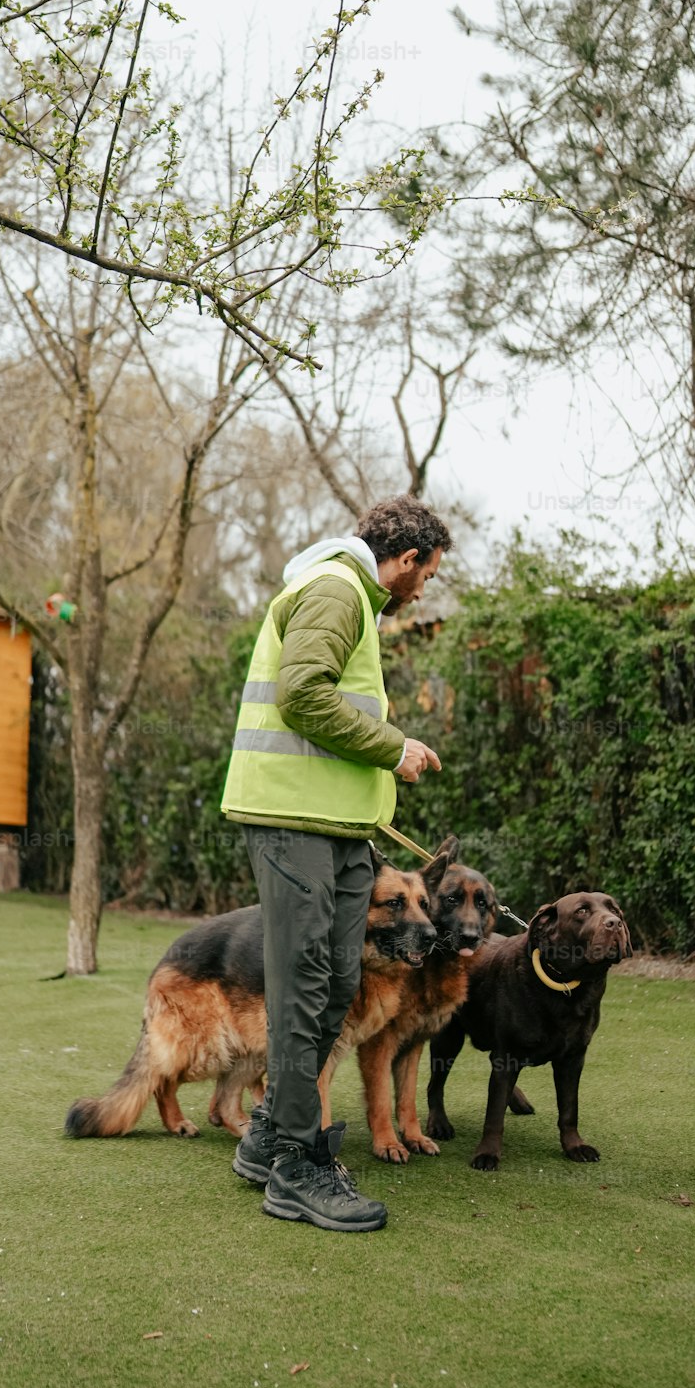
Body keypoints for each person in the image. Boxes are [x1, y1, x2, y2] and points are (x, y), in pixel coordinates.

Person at [220, 494, 451, 1232]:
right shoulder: (335, 589)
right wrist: (396, 747)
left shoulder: (351, 600)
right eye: (429, 574)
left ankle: (264, 1139)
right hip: (293, 825)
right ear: (406, 559)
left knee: (340, 983)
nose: (425, 589)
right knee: (306, 984)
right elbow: (302, 696)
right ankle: (296, 1162)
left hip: (339, 829)